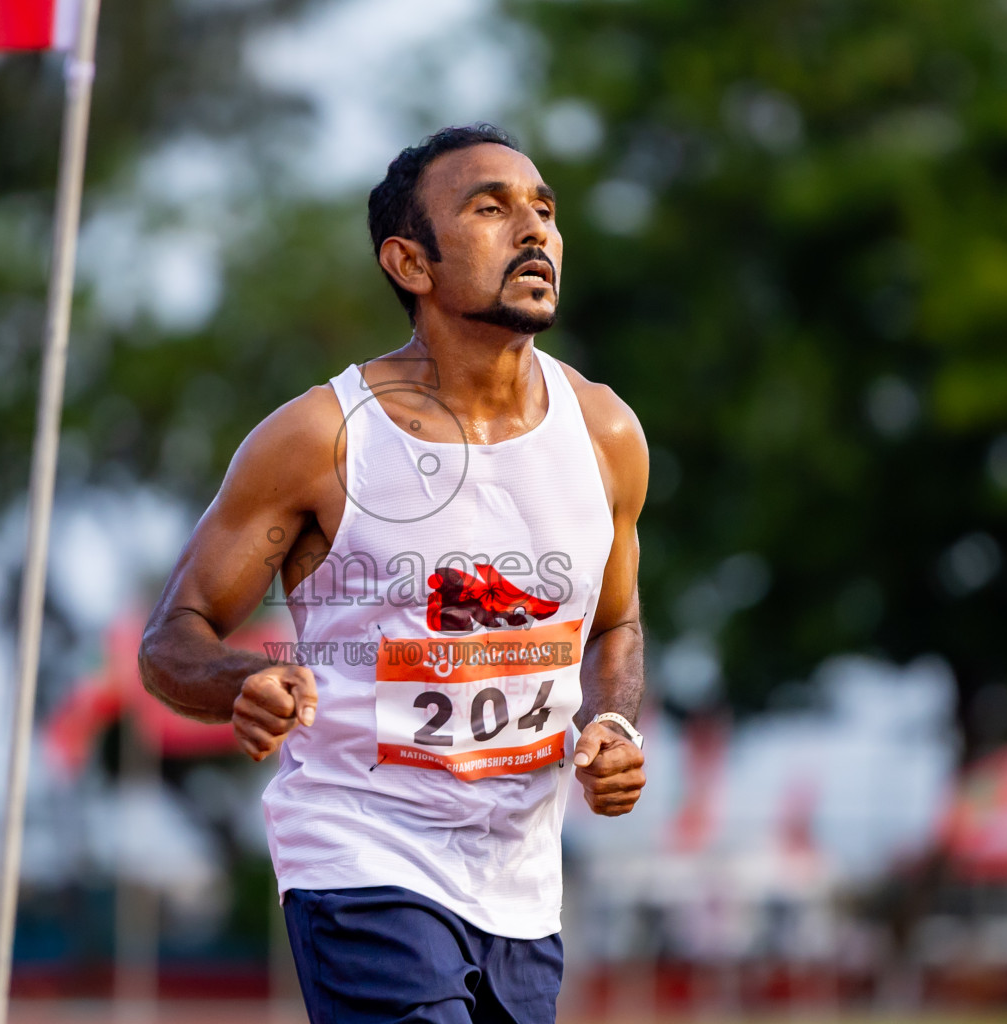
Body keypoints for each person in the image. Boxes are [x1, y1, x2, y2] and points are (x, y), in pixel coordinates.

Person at [139, 123, 648, 1023]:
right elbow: (173, 637)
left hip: (521, 883)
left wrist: (611, 721)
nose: (534, 232)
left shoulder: (605, 433)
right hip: (362, 856)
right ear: (411, 263)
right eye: (490, 209)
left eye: (544, 210)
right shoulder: (320, 440)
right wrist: (243, 682)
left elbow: (612, 625)